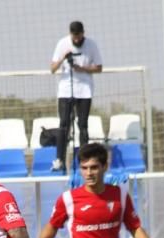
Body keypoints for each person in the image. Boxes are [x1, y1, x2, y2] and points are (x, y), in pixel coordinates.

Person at [49, 20, 103, 172]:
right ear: (70, 34)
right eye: (74, 37)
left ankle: (84, 158)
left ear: (83, 33)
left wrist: (83, 68)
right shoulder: (62, 44)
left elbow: (99, 67)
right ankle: (59, 159)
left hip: (85, 90)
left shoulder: (91, 45)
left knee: (83, 125)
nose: (77, 40)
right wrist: (63, 58)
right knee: (64, 125)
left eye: (79, 36)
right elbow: (52, 68)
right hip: (66, 90)